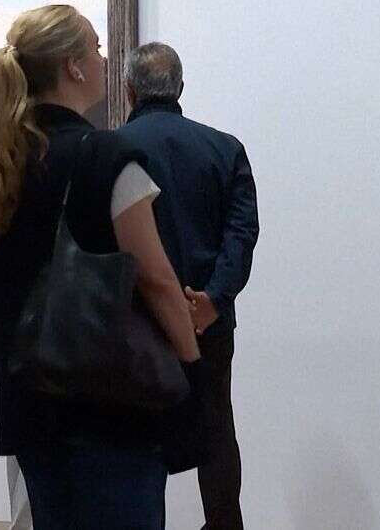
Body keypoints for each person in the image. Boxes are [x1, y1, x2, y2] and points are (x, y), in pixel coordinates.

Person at [0, 5, 203, 529]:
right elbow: (158, 283)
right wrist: (191, 368)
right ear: (72, 66)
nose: (103, 58)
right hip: (113, 408)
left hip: (30, 408)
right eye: (95, 47)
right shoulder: (106, 157)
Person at [119, 42, 259, 530]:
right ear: (180, 87)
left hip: (138, 323)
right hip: (209, 323)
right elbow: (241, 235)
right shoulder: (225, 149)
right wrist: (213, 301)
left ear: (130, 89)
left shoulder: (113, 153)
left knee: (139, 441)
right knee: (217, 430)